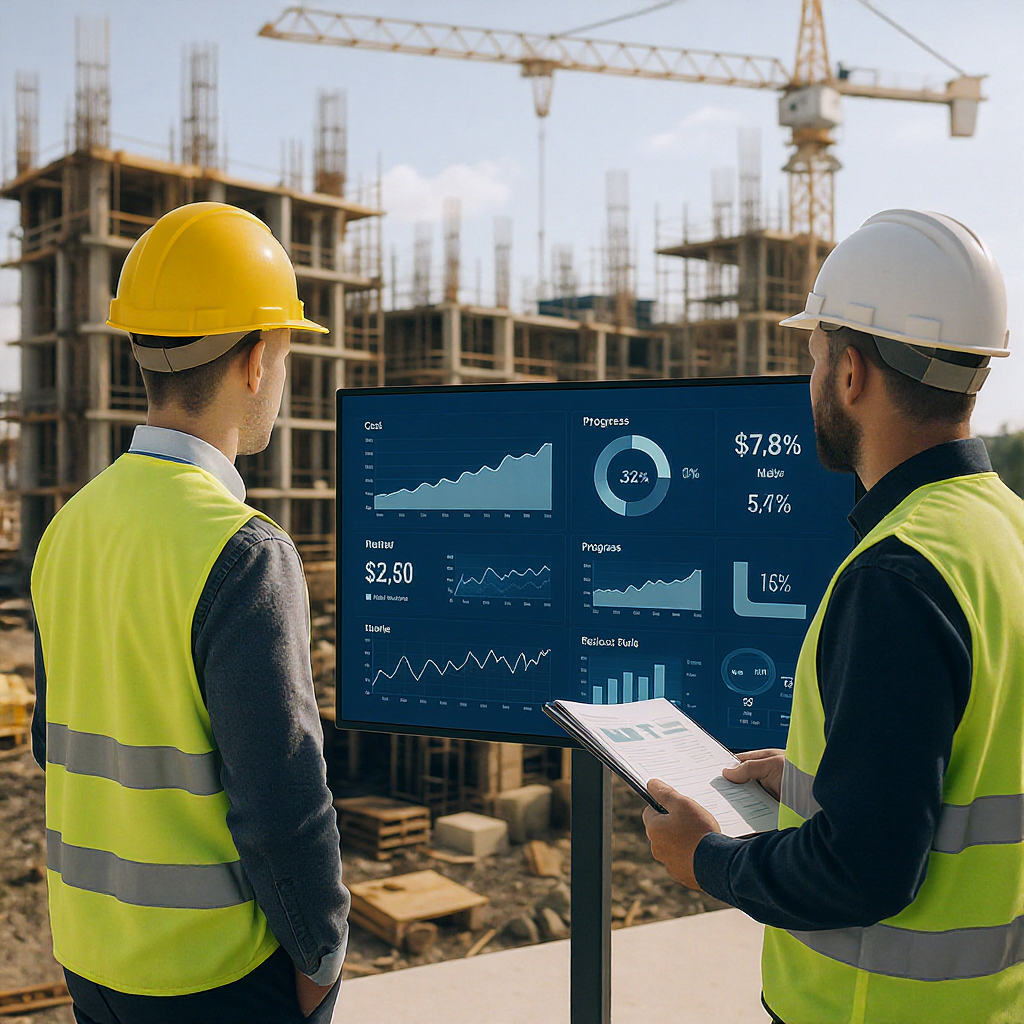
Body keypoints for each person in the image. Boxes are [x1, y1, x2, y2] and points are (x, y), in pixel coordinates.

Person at [643, 209, 1024, 1023]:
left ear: (850, 373)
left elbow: (865, 871)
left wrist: (705, 860)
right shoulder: (1007, 532)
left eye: (814, 356)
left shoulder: (900, 572)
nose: (811, 379)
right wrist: (822, 780)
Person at [30, 201, 349, 1024]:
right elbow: (283, 800)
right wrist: (321, 954)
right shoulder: (244, 551)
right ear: (253, 360)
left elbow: (50, 740)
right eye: (283, 354)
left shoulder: (70, 526)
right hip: (212, 978)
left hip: (91, 959)